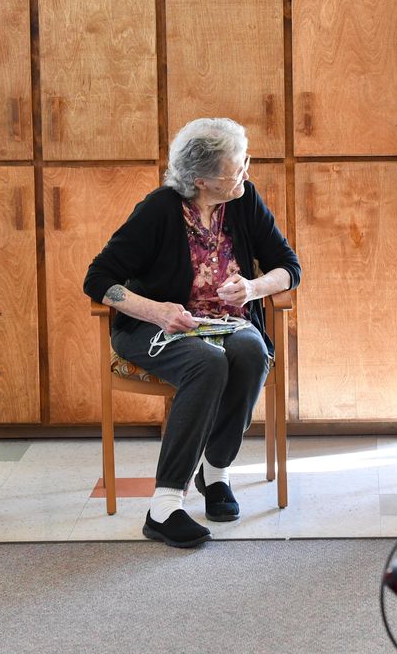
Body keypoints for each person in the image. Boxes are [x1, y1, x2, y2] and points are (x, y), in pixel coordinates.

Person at [84, 117, 299, 548]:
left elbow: (288, 267)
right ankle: (164, 506)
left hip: (226, 322)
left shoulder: (244, 199)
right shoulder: (159, 209)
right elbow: (98, 279)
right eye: (237, 166)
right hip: (155, 327)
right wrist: (158, 311)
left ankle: (216, 472)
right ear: (201, 180)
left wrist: (253, 289)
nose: (246, 172)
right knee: (207, 362)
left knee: (250, 351)